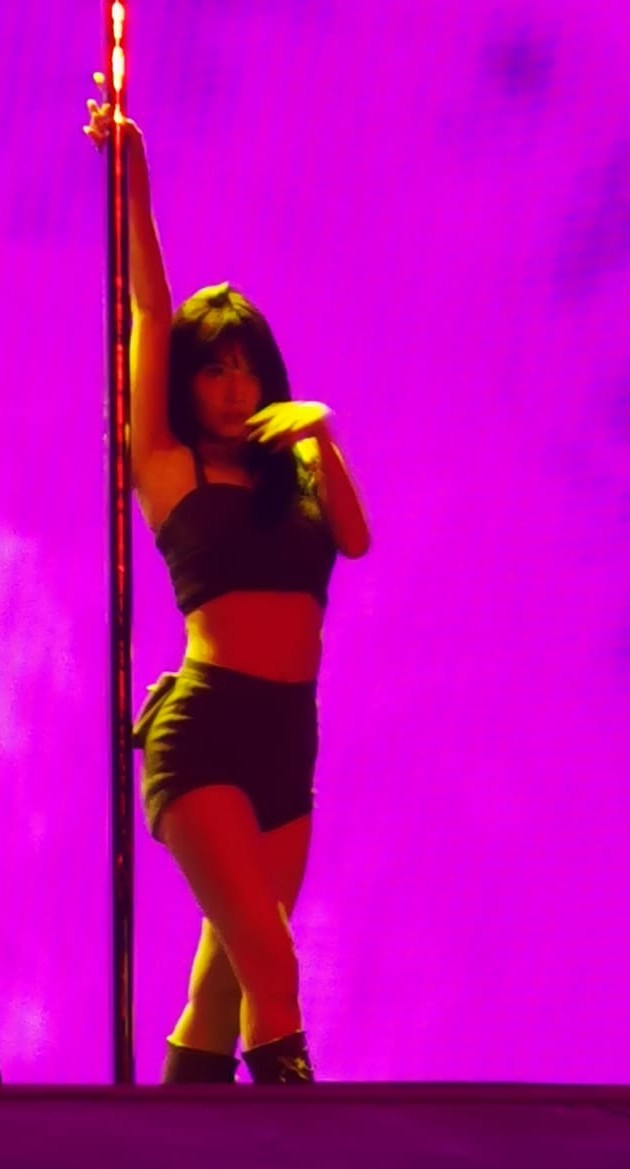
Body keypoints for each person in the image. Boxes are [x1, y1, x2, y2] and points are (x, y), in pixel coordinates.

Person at [84, 86, 370, 1085]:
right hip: (203, 732)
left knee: (218, 994)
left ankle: (172, 1145)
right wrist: (133, 177)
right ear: (186, 381)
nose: (234, 385)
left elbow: (356, 539)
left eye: (248, 368)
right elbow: (148, 307)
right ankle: (301, 1142)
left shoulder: (291, 469)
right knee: (275, 966)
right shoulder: (167, 465)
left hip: (289, 740)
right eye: (214, 369)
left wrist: (320, 436)